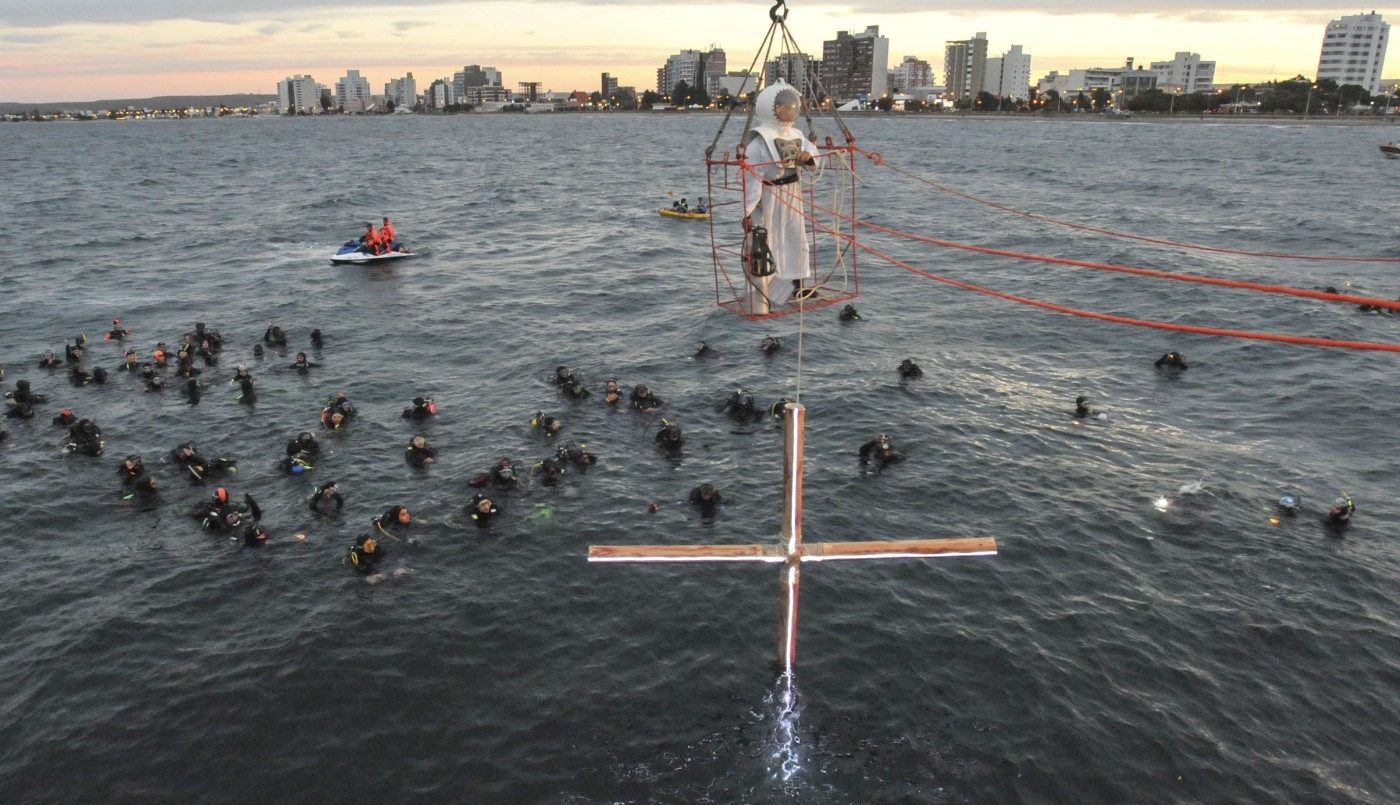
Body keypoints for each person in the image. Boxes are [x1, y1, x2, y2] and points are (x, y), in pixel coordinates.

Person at [742, 79, 820, 310]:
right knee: (770, 241)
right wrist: (746, 211)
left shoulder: (796, 133)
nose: (788, 111)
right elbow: (753, 178)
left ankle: (797, 285)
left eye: (790, 106)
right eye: (783, 107)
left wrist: (808, 158)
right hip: (770, 194)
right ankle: (770, 293)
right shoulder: (757, 143)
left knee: (796, 238)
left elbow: (813, 154)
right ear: (774, 109)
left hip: (792, 192)